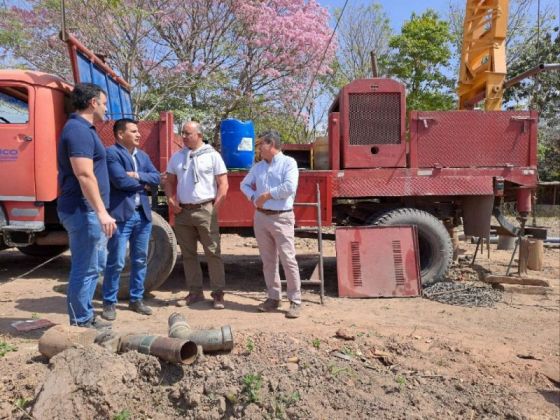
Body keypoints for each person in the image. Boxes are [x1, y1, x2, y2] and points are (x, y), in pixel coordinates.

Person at [57, 83, 116, 329]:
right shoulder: (79, 131)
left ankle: (85, 316)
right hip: (83, 211)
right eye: (103, 103)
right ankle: (81, 323)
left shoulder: (84, 129)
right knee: (86, 268)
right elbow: (84, 174)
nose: (105, 108)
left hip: (89, 211)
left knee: (94, 266)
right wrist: (101, 212)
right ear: (92, 103)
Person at [164, 121, 228, 309]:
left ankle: (218, 294)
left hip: (205, 209)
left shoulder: (212, 156)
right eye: (182, 133)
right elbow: (169, 181)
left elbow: (223, 184)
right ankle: (195, 293)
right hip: (183, 212)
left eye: (187, 133)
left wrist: (215, 208)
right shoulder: (177, 157)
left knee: (213, 253)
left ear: (199, 135)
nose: (183, 136)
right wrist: (170, 200)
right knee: (188, 254)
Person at [102, 118, 161, 320]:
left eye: (138, 131)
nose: (139, 134)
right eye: (134, 131)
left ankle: (136, 300)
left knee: (140, 259)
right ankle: (109, 303)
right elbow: (120, 181)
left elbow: (157, 178)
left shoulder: (142, 156)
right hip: (120, 217)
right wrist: (143, 184)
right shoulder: (111, 153)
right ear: (120, 134)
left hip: (142, 216)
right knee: (116, 262)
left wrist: (136, 174)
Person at [240, 130, 302, 318]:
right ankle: (273, 297)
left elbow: (289, 187)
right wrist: (253, 198)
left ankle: (295, 301)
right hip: (261, 217)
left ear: (271, 144)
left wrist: (266, 195)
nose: (258, 148)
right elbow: (243, 184)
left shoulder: (288, 163)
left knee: (288, 259)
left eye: (261, 144)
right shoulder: (258, 167)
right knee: (268, 261)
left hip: (282, 217)